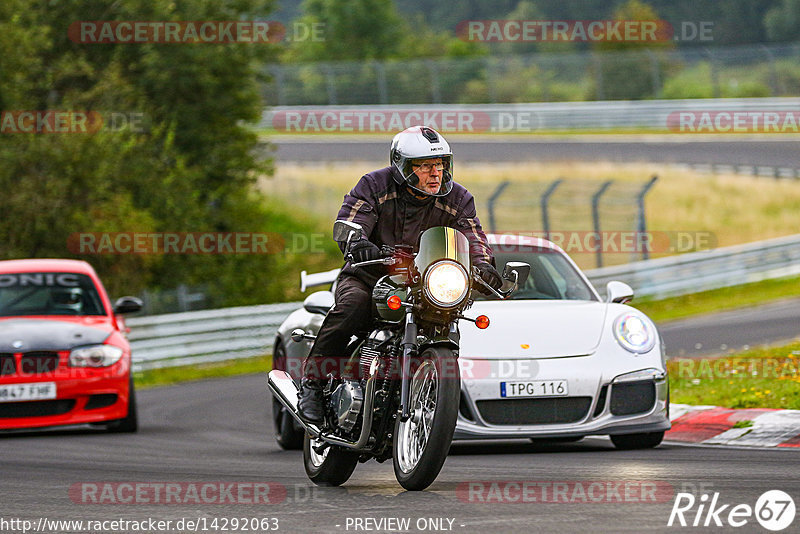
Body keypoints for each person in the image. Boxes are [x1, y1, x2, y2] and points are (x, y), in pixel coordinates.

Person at [297, 125, 502, 423]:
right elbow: (351, 220)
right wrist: (358, 243)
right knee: (351, 308)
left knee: (447, 319)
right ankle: (313, 385)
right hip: (369, 276)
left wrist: (483, 265)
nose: (436, 173)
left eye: (441, 165)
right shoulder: (373, 185)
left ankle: (432, 395)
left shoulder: (459, 199)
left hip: (425, 286)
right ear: (404, 167)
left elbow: (474, 236)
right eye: (426, 166)